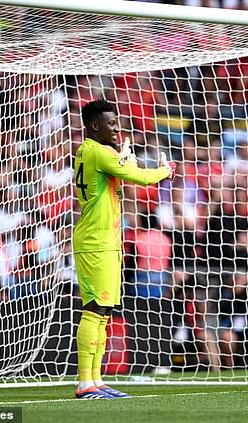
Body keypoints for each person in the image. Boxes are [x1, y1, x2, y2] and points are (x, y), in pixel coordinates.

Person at [72, 99, 175, 400]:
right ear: (94, 126)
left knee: (103, 313)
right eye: (110, 123)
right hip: (95, 242)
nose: (116, 127)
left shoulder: (92, 152)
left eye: (116, 122)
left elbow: (120, 173)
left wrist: (124, 156)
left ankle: (96, 380)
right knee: (94, 310)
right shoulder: (99, 151)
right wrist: (164, 170)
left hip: (105, 241)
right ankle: (84, 383)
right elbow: (139, 178)